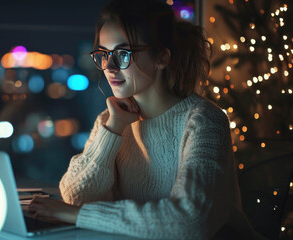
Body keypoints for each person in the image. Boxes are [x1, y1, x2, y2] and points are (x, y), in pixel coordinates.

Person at [29, 0, 264, 239]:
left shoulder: (203, 121)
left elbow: (190, 220)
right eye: (103, 54)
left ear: (161, 57)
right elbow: (76, 196)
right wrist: (112, 129)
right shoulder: (111, 120)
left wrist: (79, 216)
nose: (109, 67)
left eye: (123, 54)